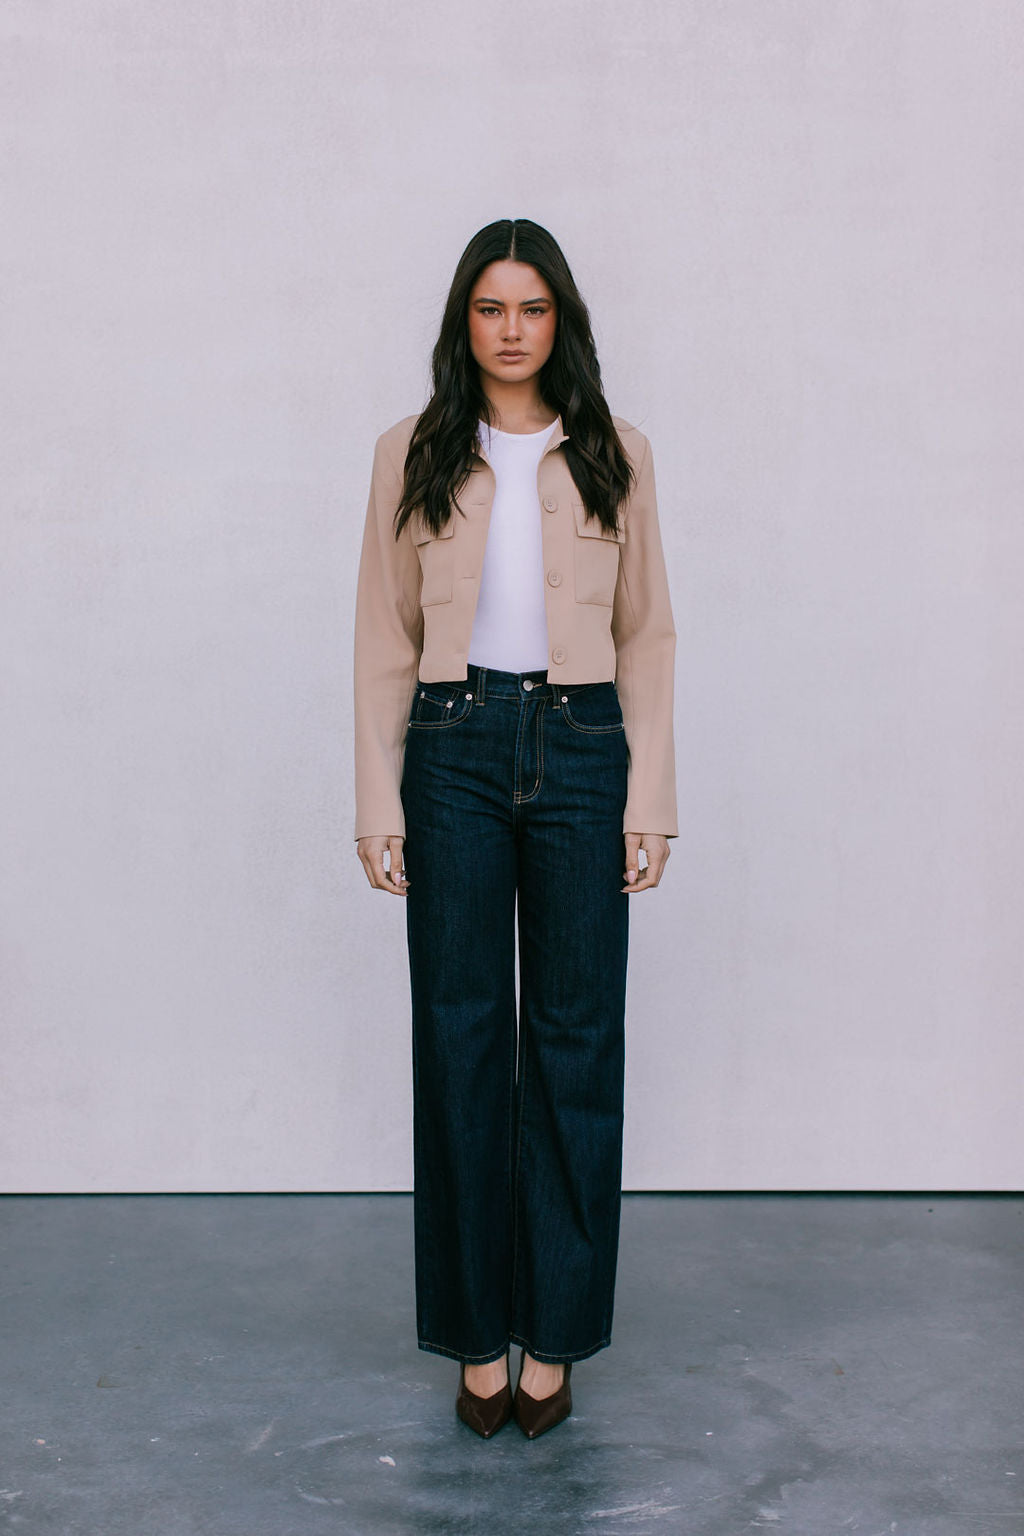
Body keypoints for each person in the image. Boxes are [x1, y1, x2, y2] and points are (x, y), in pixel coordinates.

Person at [353, 218, 678, 1439]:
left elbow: (647, 632)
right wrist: (373, 798)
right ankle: (477, 1337)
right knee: (461, 1039)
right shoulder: (413, 451)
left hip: (588, 751)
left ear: (560, 321)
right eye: (489, 308)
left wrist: (653, 795)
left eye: (530, 308)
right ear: (463, 320)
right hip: (451, 750)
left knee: (578, 1042)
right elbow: (381, 634)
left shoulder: (614, 451)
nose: (508, 329)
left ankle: (554, 1337)